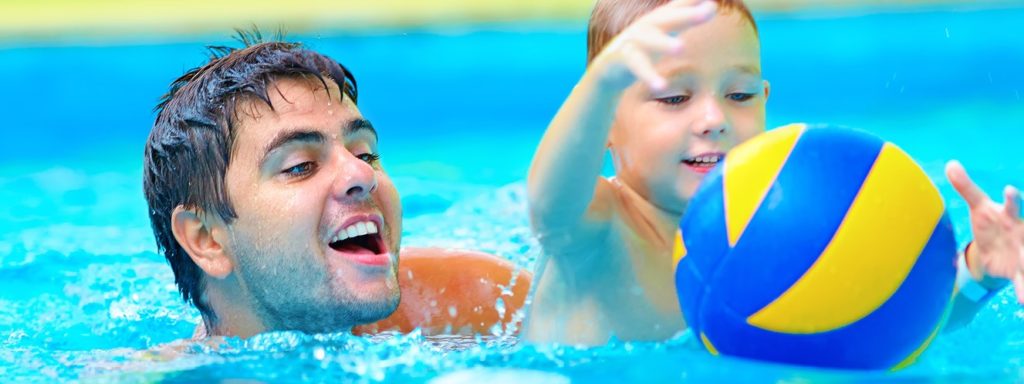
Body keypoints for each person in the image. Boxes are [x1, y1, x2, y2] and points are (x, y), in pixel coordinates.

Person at [523, 0, 1023, 345]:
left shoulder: (774, 226)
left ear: (765, 103)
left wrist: (977, 271)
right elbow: (549, 206)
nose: (714, 119)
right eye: (674, 97)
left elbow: (875, 318)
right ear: (604, 125)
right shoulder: (598, 225)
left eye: (738, 95)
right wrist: (600, 87)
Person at [143, 34, 531, 339]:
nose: (362, 177)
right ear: (206, 238)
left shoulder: (467, 301)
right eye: (300, 166)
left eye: (365, 154)